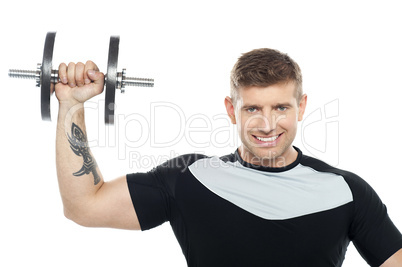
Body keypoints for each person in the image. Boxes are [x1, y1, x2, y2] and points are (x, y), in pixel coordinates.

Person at [55, 48, 402, 267]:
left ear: (302, 107)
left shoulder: (346, 191)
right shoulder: (190, 178)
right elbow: (84, 206)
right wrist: (72, 105)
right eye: (252, 108)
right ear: (231, 110)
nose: (267, 124)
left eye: (281, 107)